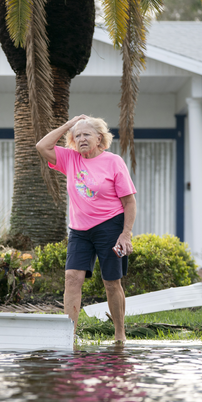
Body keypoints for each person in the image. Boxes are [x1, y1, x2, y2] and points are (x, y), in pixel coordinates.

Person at [36, 114, 137, 343]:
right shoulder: (70, 159)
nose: (81, 139)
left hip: (110, 227)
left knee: (112, 282)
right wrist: (69, 125)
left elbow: (130, 202)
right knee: (72, 278)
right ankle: (67, 337)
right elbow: (42, 146)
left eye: (86, 134)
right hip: (80, 231)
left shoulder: (113, 162)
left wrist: (125, 233)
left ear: (99, 138)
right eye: (77, 135)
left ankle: (120, 335)